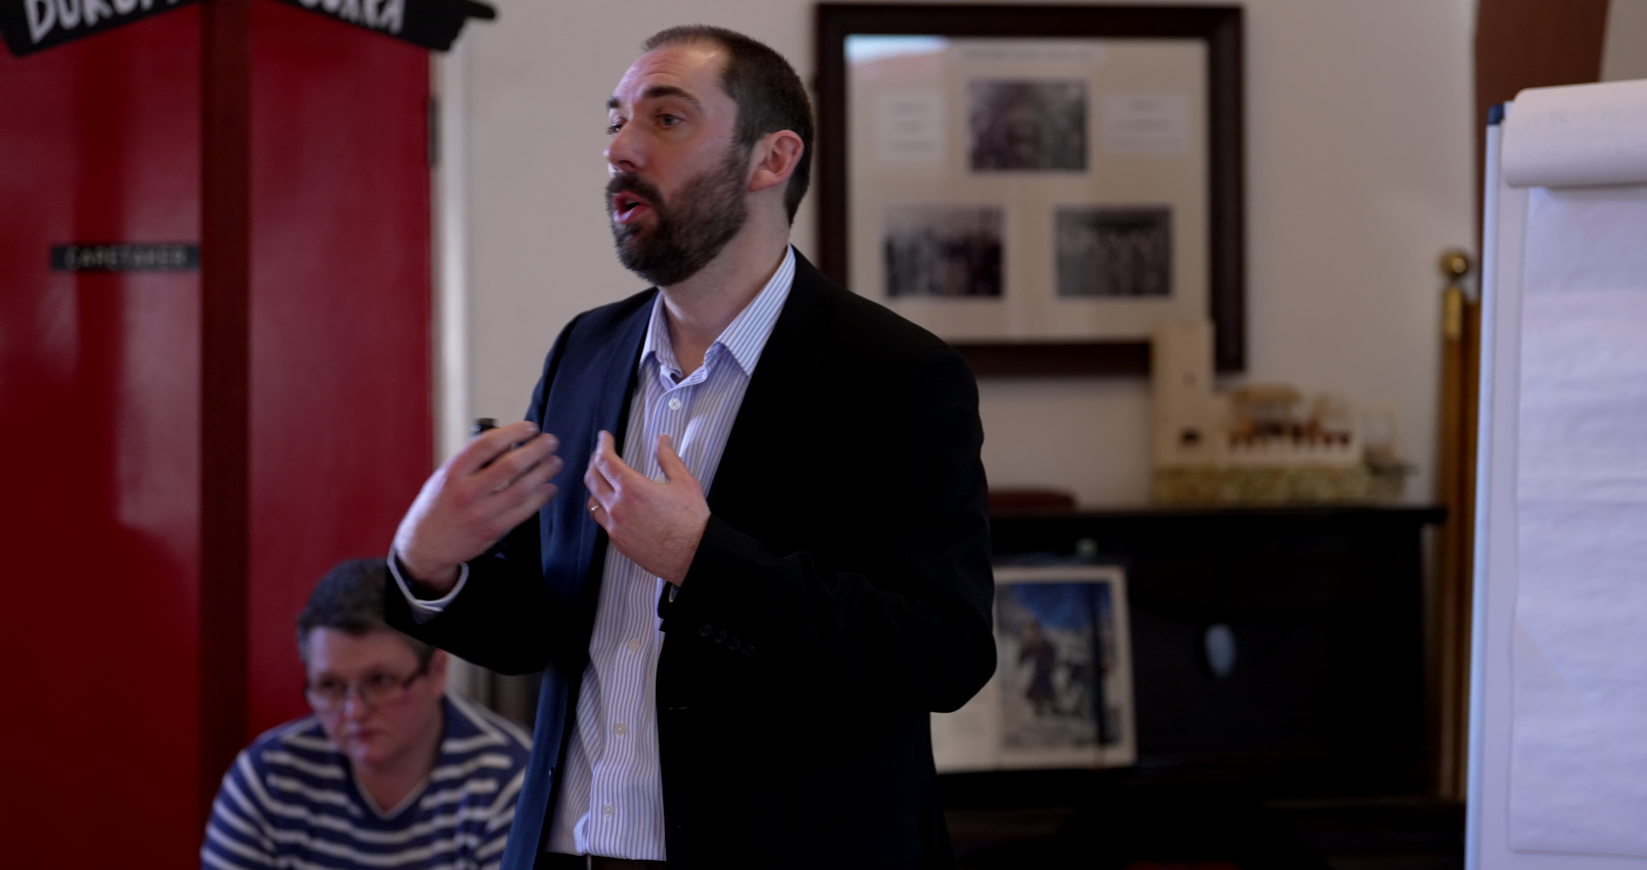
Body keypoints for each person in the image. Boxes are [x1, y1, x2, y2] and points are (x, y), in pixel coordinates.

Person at [384, 24, 995, 870]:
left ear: (771, 159)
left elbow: (942, 656)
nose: (620, 149)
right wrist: (431, 567)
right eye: (615, 120)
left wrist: (705, 561)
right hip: (570, 853)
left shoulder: (897, 375)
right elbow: (539, 629)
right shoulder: (583, 354)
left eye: (666, 119)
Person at [202, 559, 532, 870]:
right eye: (330, 685)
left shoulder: (509, 777)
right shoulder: (269, 776)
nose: (354, 711)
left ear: (436, 672)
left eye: (380, 681)